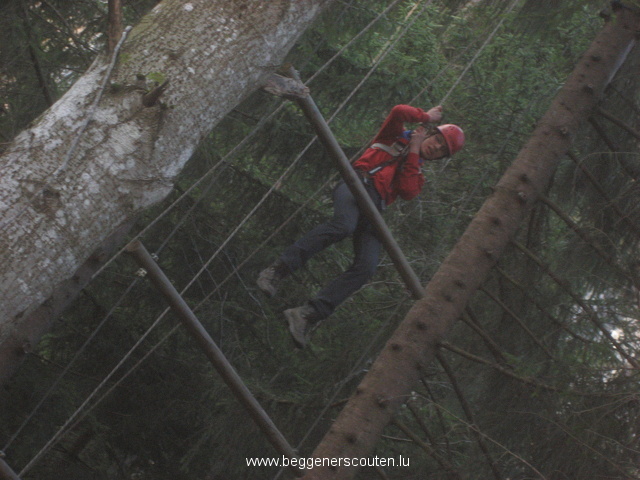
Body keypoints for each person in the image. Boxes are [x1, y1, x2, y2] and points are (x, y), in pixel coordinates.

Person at [257, 104, 464, 348]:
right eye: (437, 140)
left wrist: (415, 151)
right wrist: (426, 117)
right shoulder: (393, 136)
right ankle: (277, 270)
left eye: (441, 151)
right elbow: (398, 111)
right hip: (356, 185)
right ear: (430, 132)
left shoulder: (417, 173)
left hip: (375, 209)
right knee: (343, 226)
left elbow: (408, 191)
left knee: (366, 266)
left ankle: (307, 314)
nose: (436, 148)